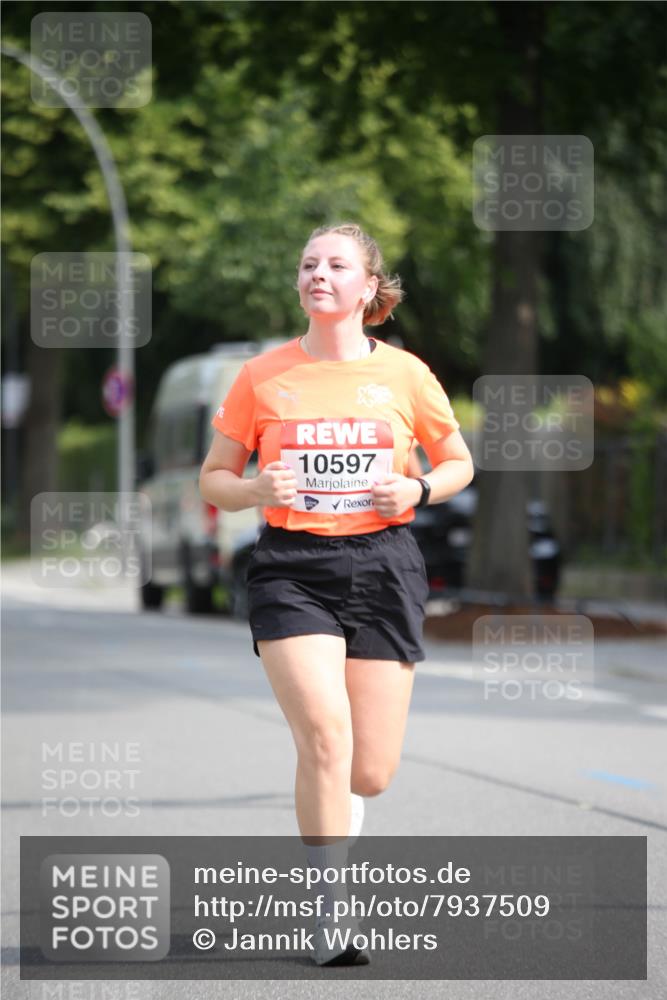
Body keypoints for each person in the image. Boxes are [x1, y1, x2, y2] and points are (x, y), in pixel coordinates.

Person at [199, 222, 474, 966]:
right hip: (292, 565)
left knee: (367, 771)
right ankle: (329, 917)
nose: (317, 273)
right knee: (324, 734)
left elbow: (457, 462)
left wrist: (414, 485)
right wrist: (254, 484)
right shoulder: (262, 376)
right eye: (308, 264)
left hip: (384, 563)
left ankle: (340, 812)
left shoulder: (407, 375)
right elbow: (213, 480)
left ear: (366, 288)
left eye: (335, 264)